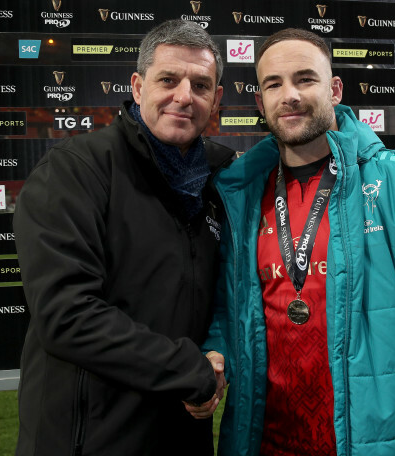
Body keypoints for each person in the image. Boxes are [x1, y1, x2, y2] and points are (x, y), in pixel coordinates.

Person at [192, 29, 395, 455]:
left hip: (372, 443)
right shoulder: (238, 195)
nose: (289, 94)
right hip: (263, 440)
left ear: (334, 90)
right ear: (260, 103)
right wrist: (216, 354)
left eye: (305, 79)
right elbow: (225, 308)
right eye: (273, 84)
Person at [14, 20, 232, 456]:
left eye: (200, 84)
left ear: (216, 99)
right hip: (88, 438)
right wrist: (189, 369)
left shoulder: (221, 181)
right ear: (137, 87)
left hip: (181, 432)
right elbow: (66, 315)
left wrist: (215, 354)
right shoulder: (75, 170)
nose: (184, 96)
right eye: (168, 80)